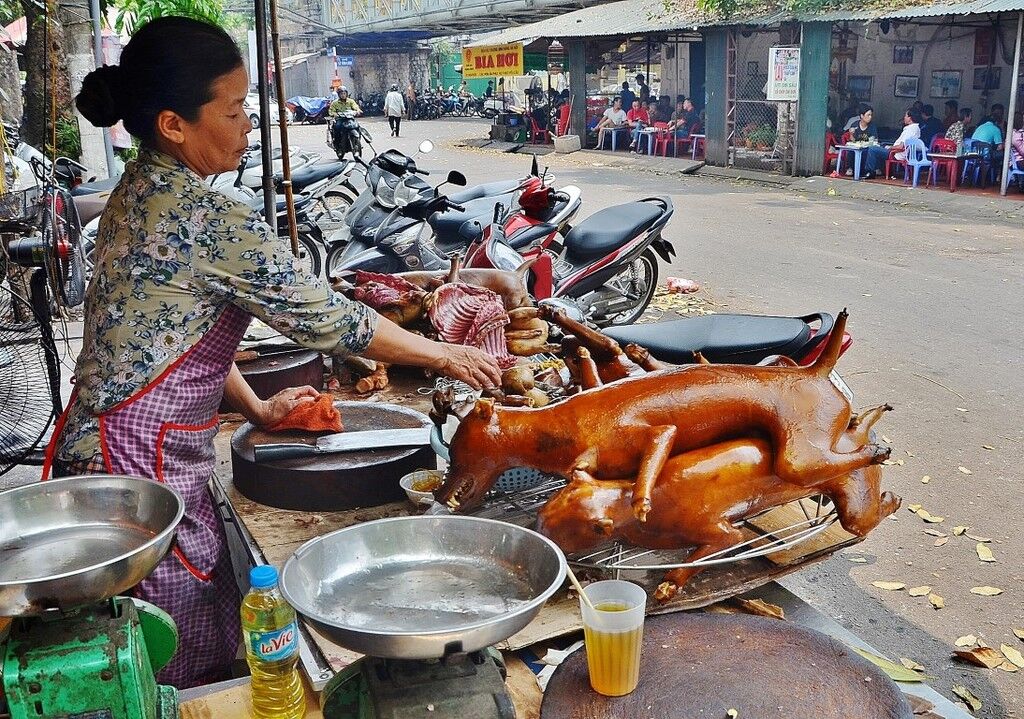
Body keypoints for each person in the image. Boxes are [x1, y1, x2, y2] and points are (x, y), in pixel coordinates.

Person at [66, 16, 500, 691]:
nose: (249, 125)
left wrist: (259, 407)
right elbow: (330, 320)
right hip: (136, 475)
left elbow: (173, 338)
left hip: (109, 456)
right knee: (169, 664)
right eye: (235, 110)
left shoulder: (138, 191)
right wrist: (444, 355)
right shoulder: (207, 218)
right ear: (174, 124)